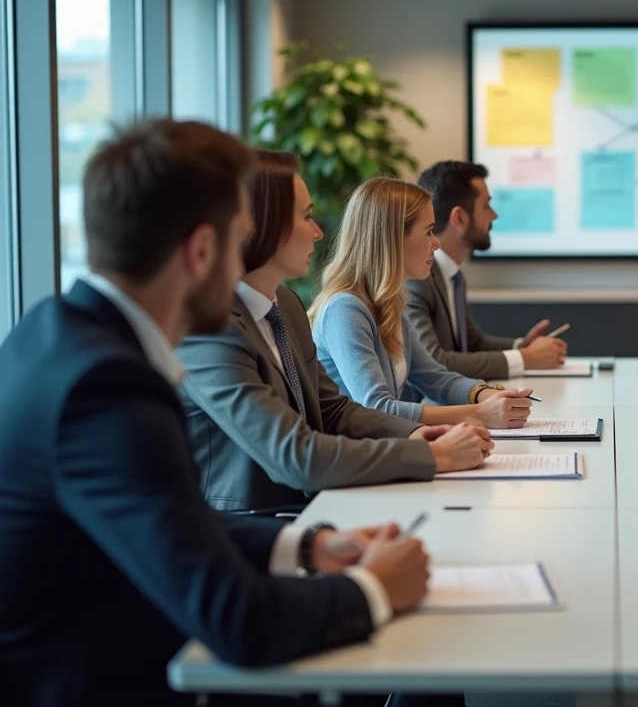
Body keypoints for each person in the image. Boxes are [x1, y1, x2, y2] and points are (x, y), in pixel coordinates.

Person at [0, 119, 432, 706]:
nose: (243, 270)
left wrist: (304, 548)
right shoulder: (108, 390)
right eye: (239, 242)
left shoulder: (51, 334)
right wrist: (372, 589)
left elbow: (165, 514)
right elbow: (239, 622)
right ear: (203, 250)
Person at [179, 150, 492, 513]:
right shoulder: (212, 328)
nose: (319, 232)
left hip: (318, 502)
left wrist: (413, 435)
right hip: (255, 522)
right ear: (260, 223)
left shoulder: (286, 305)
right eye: (307, 216)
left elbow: (337, 411)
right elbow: (296, 456)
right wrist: (429, 455)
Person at [311, 176, 534, 427]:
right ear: (392, 238)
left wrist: (487, 394)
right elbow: (377, 408)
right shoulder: (345, 309)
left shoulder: (388, 303)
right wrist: (478, 414)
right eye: (428, 231)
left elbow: (436, 378)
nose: (436, 243)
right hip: (355, 460)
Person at [407, 160, 566, 380]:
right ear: (459, 218)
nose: (494, 215)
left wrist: (522, 346)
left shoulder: (452, 275)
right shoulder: (416, 279)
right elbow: (433, 360)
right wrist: (525, 358)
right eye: (486, 206)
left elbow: (473, 344)